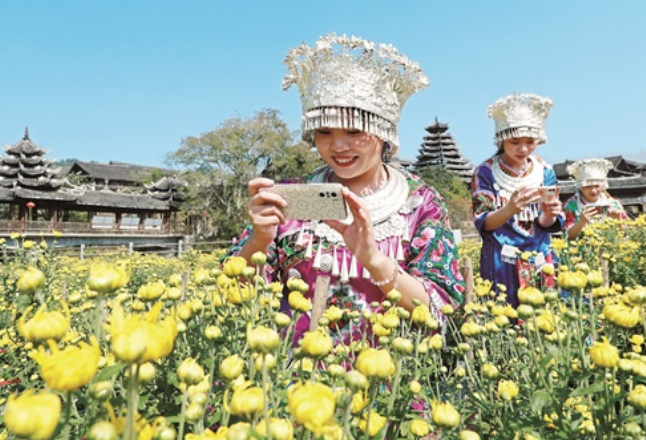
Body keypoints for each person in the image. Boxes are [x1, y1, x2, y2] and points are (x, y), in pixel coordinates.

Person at [225, 33, 464, 341]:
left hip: (389, 379)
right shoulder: (292, 196)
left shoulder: (420, 202)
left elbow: (436, 308)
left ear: (384, 132)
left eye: (354, 131)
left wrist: (375, 261)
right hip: (294, 378)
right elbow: (233, 295)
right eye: (324, 132)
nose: (338, 146)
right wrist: (258, 240)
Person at [471, 93, 564, 308]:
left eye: (530, 142)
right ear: (501, 140)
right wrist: (510, 209)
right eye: (515, 142)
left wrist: (550, 213)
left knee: (545, 319)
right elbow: (483, 222)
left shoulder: (545, 170)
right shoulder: (485, 172)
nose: (523, 149)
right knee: (505, 322)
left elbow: (546, 223)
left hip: (541, 257)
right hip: (502, 260)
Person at [563, 158, 627, 240]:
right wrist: (581, 222)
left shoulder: (614, 204)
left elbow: (627, 234)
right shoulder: (571, 205)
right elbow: (568, 236)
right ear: (580, 187)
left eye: (597, 186)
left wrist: (618, 219)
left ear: (603, 186)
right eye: (588, 186)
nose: (593, 190)